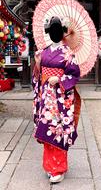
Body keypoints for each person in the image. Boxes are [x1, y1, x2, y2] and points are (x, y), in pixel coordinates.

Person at [32, 16, 81, 183]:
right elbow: (38, 75)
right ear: (48, 32)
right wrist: (38, 65)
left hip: (60, 99)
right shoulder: (43, 52)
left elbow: (74, 75)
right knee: (46, 128)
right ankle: (49, 167)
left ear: (62, 33)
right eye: (51, 30)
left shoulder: (68, 54)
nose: (54, 33)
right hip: (46, 97)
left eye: (57, 30)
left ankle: (58, 169)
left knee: (58, 131)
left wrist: (59, 80)